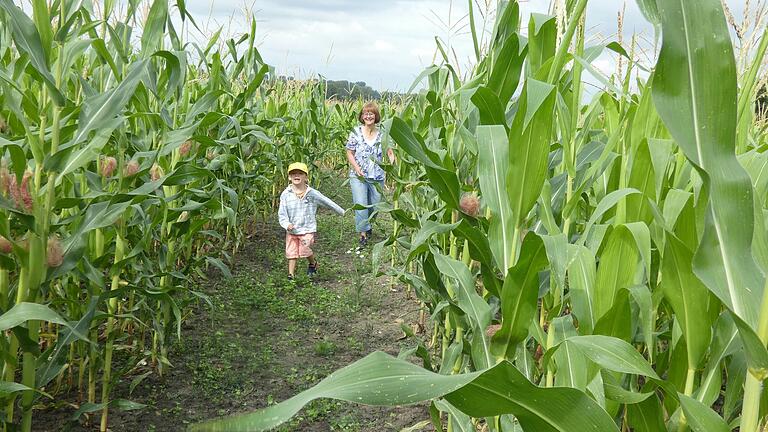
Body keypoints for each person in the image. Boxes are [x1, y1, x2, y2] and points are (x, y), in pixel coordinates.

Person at [278, 162, 345, 280]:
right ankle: (291, 275)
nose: (296, 176)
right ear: (289, 177)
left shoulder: (312, 193)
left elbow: (326, 201)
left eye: (300, 173)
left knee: (304, 249)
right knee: (291, 252)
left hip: (307, 228)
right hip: (292, 229)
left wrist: (342, 212)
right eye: (293, 174)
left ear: (306, 177)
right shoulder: (286, 194)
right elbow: (282, 213)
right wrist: (286, 224)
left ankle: (313, 263)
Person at [345, 101, 395, 248]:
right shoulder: (355, 132)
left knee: (374, 205)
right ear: (362, 116)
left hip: (377, 176)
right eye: (365, 113)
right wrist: (356, 167)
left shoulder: (382, 134)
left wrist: (392, 165)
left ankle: (368, 224)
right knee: (361, 204)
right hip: (358, 175)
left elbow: (390, 152)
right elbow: (349, 152)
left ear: (376, 116)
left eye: (371, 113)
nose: (368, 116)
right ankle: (363, 235)